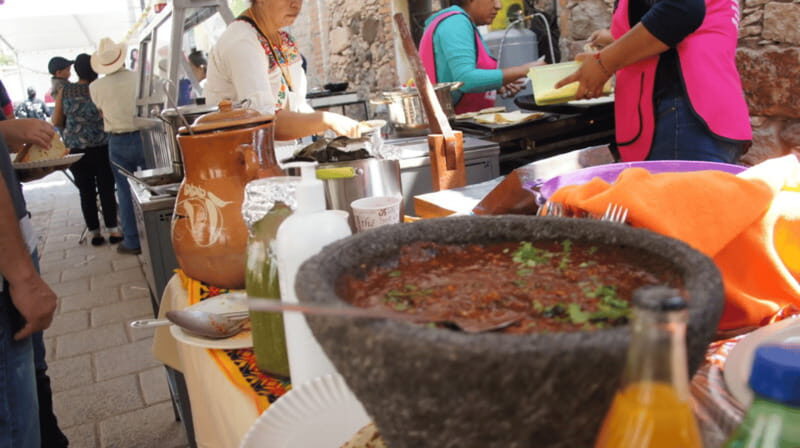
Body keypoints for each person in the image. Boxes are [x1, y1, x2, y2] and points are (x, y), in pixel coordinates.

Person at [555, 0, 751, 163]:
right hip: (707, 117)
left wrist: (603, 64)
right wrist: (602, 60)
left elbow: (680, 9)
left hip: (682, 119)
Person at [204, 0, 361, 161]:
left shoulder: (285, 41)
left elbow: (296, 103)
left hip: (277, 160)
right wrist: (326, 120)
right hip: (241, 167)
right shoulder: (242, 42)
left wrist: (331, 126)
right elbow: (265, 124)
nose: (295, 4)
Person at [0, 117, 63, 448]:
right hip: (7, 266)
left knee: (33, 375)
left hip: (15, 237)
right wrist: (22, 277)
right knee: (13, 417)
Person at [419, 0, 542, 114]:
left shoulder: (460, 22)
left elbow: (450, 78)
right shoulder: (455, 22)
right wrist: (526, 69)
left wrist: (495, 84)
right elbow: (465, 80)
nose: (498, 6)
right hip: (454, 127)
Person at [53, 53, 121, 247]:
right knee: (106, 188)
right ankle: (114, 230)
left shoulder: (65, 91)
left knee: (86, 191)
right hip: (102, 146)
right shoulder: (100, 89)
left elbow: (56, 121)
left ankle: (94, 233)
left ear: (77, 71)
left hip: (76, 149)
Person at [89, 37, 146, 255]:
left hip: (117, 141)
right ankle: (156, 234)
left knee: (124, 189)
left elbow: (101, 110)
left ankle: (132, 241)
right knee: (153, 188)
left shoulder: (96, 87)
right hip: (143, 135)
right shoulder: (139, 78)